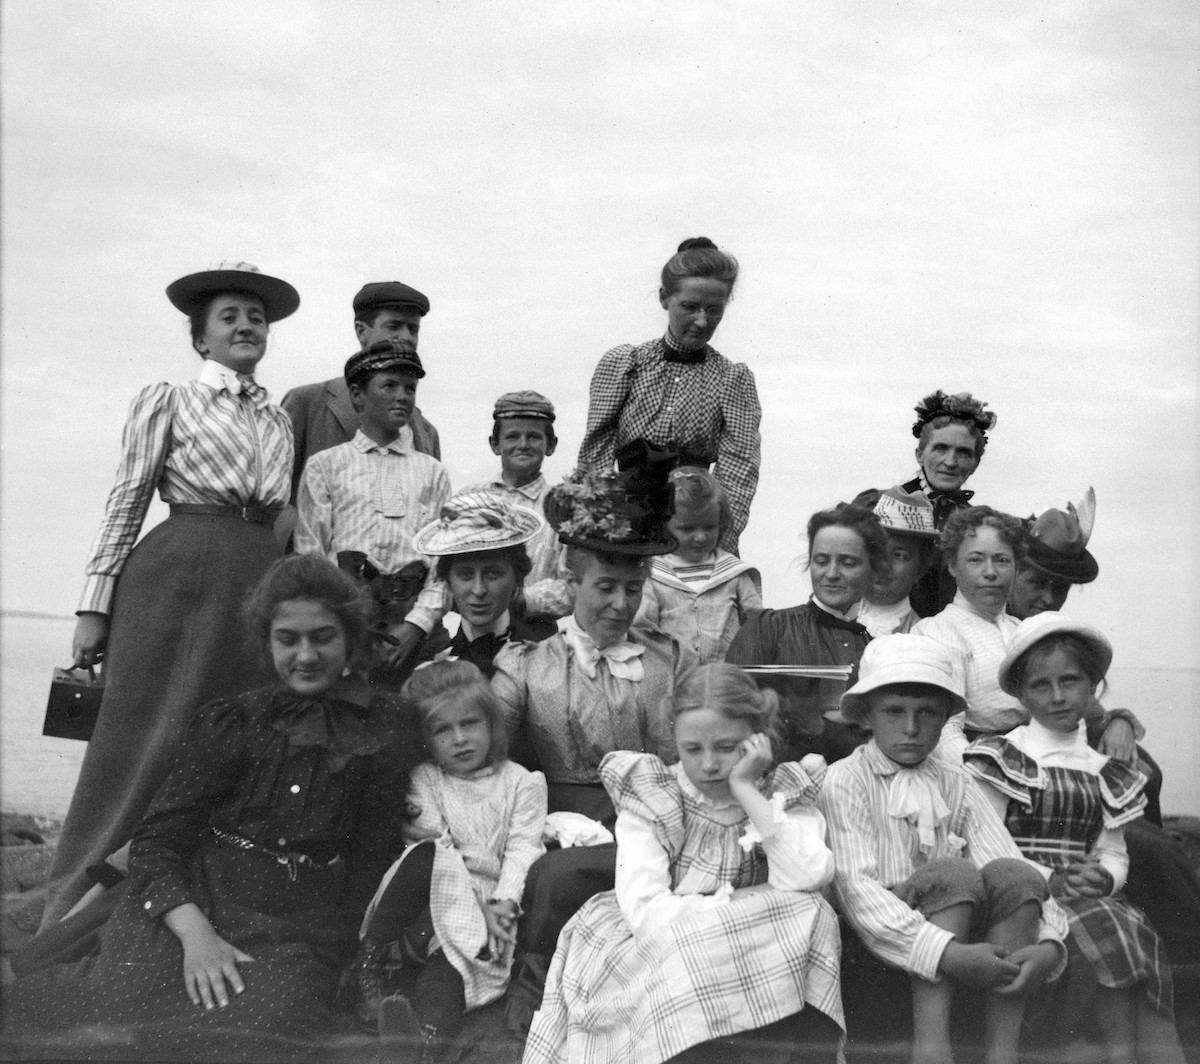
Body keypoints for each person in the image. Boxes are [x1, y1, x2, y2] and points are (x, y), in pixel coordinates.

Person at [10, 555, 411, 1062]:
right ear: (267, 642)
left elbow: (375, 853)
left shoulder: (382, 726)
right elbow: (157, 841)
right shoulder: (234, 722)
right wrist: (197, 936)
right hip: (197, 900)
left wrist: (350, 954)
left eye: (323, 637)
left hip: (298, 922)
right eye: (288, 638)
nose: (306, 655)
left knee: (269, 1028)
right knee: (116, 1015)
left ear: (350, 639)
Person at [41, 262, 300, 932]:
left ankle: (166, 901)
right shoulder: (169, 399)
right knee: (143, 742)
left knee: (225, 746)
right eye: (230, 317)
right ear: (202, 339)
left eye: (256, 318)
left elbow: (281, 518)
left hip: (255, 585)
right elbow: (126, 503)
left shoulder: (277, 418)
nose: (247, 326)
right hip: (177, 576)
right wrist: (93, 607)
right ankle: (72, 904)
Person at [524, 663, 843, 1064]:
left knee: (814, 913)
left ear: (758, 739)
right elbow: (648, 914)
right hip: (663, 942)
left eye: (726, 748)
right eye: (693, 749)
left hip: (750, 946)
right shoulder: (656, 795)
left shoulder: (777, 790)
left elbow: (810, 876)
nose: (708, 765)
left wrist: (746, 789)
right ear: (675, 740)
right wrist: (746, 902)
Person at [489, 446, 695, 1032]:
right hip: (551, 820)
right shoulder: (527, 663)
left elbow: (687, 758)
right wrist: (542, 821)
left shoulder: (668, 658)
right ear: (572, 580)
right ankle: (529, 1009)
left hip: (652, 821)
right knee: (554, 875)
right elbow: (492, 765)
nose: (620, 603)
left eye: (633, 588)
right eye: (605, 586)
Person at [817, 634, 1068, 1064]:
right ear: (866, 717)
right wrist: (946, 953)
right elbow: (856, 892)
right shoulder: (846, 779)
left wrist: (1050, 943)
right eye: (894, 712)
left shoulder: (956, 779)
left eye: (927, 713)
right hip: (881, 937)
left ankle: (1001, 1052)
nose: (911, 728)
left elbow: (1005, 857)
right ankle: (932, 1049)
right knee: (950, 872)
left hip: (961, 922)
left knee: (1014, 874)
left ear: (945, 718)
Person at [964, 614, 1183, 1064]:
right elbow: (987, 843)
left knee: (1123, 923)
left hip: (1088, 892)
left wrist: (1104, 879)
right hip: (1019, 889)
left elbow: (1112, 850)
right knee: (1108, 925)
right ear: (1021, 693)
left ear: (1093, 685)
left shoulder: (1104, 770)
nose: (1058, 696)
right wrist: (1052, 880)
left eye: (1071, 681)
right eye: (1041, 686)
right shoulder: (1006, 757)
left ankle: (1124, 1053)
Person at [353, 660, 546, 1057]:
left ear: (492, 724)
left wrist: (503, 907)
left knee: (448, 978)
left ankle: (420, 1047)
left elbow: (523, 849)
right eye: (443, 729)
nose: (460, 739)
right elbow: (437, 850)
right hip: (424, 900)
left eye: (470, 723)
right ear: (425, 739)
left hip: (482, 915)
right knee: (428, 853)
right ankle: (369, 961)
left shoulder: (522, 782)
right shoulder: (427, 779)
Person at [577, 237, 761, 554]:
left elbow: (738, 474)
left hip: (697, 534)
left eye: (713, 310)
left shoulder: (733, 379)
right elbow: (596, 456)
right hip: (627, 527)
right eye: (689, 307)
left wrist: (718, 547)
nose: (702, 321)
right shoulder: (624, 365)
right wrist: (600, 532)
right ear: (665, 298)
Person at [295, 338, 451, 684]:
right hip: (347, 628)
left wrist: (417, 625)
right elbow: (312, 555)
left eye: (410, 388)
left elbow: (443, 564)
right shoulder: (326, 466)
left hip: (415, 633)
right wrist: (342, 626)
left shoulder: (432, 472)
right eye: (389, 385)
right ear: (357, 395)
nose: (403, 396)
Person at [726, 502, 887, 762]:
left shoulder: (880, 649)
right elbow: (729, 710)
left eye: (848, 563)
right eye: (821, 561)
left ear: (873, 570)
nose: (832, 574)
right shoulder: (769, 627)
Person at [281, 280, 440, 501]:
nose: (406, 337)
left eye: (413, 329)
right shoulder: (307, 403)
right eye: (394, 326)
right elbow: (278, 499)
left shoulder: (426, 431)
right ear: (361, 331)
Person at [411, 489, 557, 676]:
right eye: (465, 575)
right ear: (448, 582)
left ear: (517, 578)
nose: (479, 590)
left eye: (493, 574)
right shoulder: (435, 665)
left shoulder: (544, 661)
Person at [635, 466, 762, 662]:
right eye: (687, 529)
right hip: (672, 681)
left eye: (710, 527)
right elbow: (642, 629)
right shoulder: (653, 574)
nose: (700, 537)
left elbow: (758, 624)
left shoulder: (733, 573)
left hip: (725, 678)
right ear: (663, 525)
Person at [887, 389, 997, 616]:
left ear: (975, 463)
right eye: (940, 448)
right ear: (920, 454)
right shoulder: (882, 506)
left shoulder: (980, 523)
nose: (950, 462)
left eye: (964, 453)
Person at [464, 390, 570, 619]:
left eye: (533, 437)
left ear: (551, 445)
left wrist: (523, 600)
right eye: (512, 436)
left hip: (538, 632)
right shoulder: (469, 499)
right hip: (475, 628)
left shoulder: (565, 506)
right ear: (495, 444)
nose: (523, 445)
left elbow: (574, 584)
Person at [854, 486, 941, 638]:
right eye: (876, 549)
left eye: (900, 555)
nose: (883, 565)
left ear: (921, 568)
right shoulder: (833, 615)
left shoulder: (922, 637)